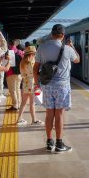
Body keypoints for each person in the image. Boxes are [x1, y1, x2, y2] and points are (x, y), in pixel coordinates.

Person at [33, 24, 80, 153]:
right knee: (59, 114)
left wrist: (37, 84)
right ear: (63, 35)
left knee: (49, 114)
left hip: (47, 85)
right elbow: (77, 60)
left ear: (52, 34)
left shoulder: (42, 47)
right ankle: (59, 144)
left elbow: (35, 68)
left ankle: (49, 142)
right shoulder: (68, 49)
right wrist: (72, 46)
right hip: (62, 87)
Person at [16, 46, 43, 126]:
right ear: (31, 54)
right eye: (34, 54)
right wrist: (37, 84)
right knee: (32, 103)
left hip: (25, 83)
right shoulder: (32, 61)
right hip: (32, 83)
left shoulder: (22, 62)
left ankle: (19, 119)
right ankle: (34, 120)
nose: (35, 55)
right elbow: (35, 73)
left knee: (23, 103)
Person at [6, 40, 23, 110]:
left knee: (12, 90)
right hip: (19, 73)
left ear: (9, 44)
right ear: (15, 44)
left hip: (10, 73)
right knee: (18, 89)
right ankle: (19, 104)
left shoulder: (8, 52)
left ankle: (15, 105)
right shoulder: (20, 52)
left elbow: (5, 63)